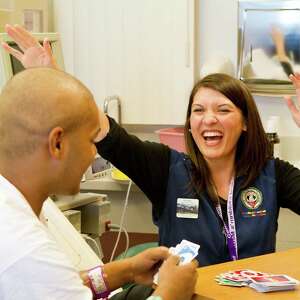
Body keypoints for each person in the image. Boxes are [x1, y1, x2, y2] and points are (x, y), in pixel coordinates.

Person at [3, 24, 300, 267]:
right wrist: (56, 79)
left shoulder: (272, 175)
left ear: (246, 122)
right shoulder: (167, 169)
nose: (209, 120)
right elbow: (107, 133)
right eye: (198, 111)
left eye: (223, 110)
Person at [0, 68, 197, 300]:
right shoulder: (25, 249)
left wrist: (128, 269)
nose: (95, 153)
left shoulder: (14, 212)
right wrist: (170, 293)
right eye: (92, 140)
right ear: (57, 144)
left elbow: (59, 287)